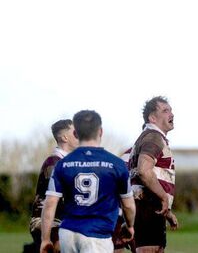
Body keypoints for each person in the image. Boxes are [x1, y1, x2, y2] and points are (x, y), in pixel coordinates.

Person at [39, 110, 135, 253]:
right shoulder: (116, 164)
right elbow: (128, 206)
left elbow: (49, 204)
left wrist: (45, 239)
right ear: (101, 132)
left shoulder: (62, 164)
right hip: (97, 235)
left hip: (67, 234)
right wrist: (129, 226)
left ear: (76, 134)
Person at [128, 96, 178, 253]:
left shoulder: (150, 136)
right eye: (165, 110)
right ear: (152, 118)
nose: (172, 114)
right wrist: (163, 197)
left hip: (148, 209)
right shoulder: (154, 137)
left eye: (171, 110)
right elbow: (144, 170)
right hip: (147, 210)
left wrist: (167, 211)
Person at [28, 119, 79, 253]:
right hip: (46, 221)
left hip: (63, 220)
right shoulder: (53, 163)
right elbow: (57, 200)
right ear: (64, 138)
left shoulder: (70, 163)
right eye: (75, 132)